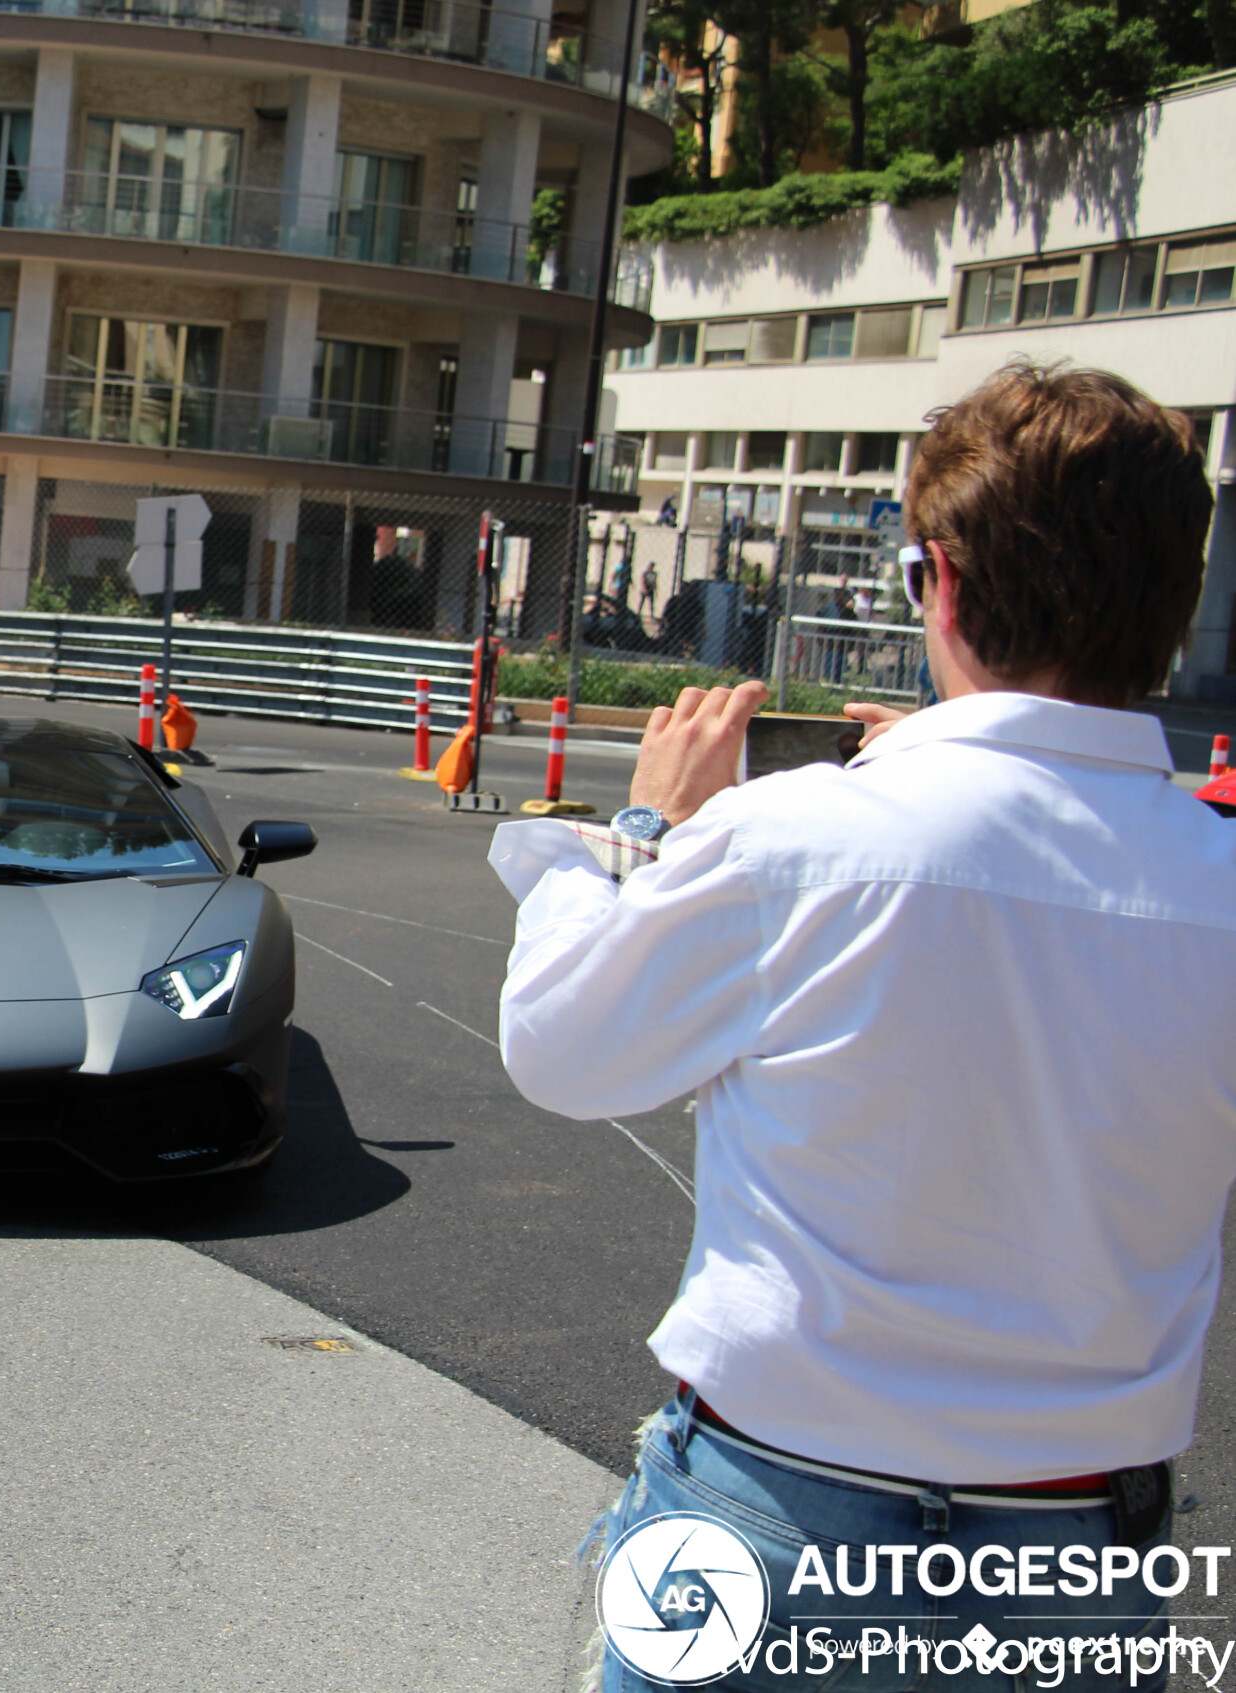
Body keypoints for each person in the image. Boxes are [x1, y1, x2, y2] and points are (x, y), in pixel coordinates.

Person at [488, 362, 1233, 1689]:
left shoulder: (798, 839)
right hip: (1078, 1553)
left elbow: (562, 1049)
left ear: (934, 585)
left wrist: (646, 833)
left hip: (773, 1513)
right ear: (1172, 610)